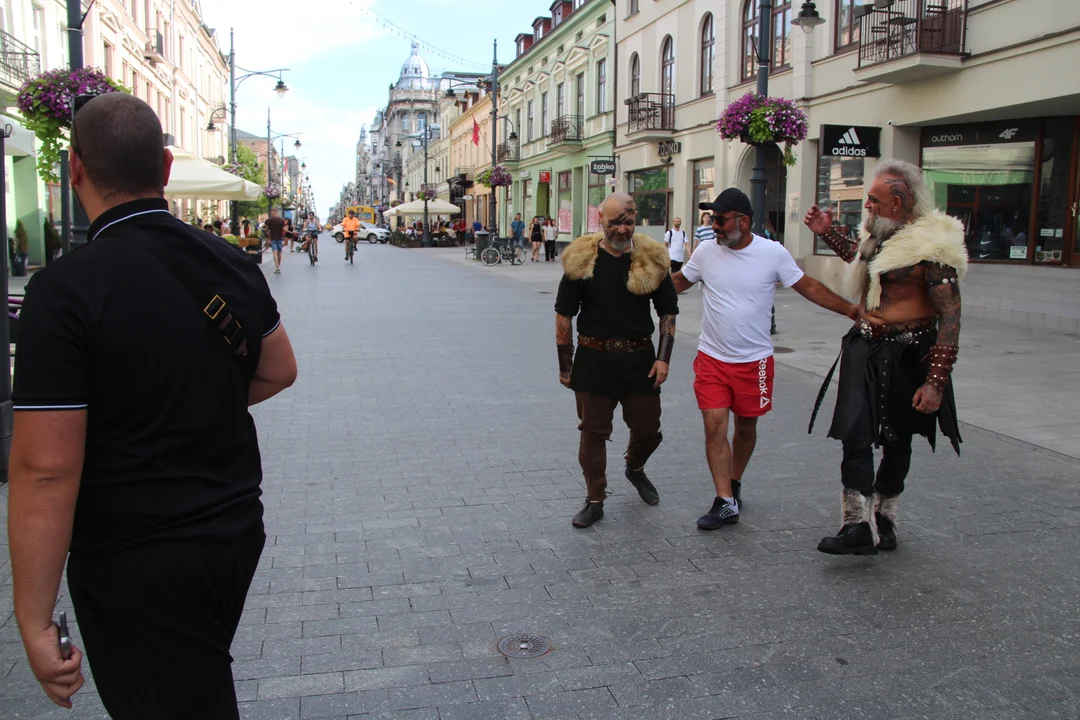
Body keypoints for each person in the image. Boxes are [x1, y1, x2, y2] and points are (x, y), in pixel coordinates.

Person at [8, 92, 297, 718]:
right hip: (232, 529)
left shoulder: (61, 292)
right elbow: (280, 369)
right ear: (165, 169)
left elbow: (45, 468)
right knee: (189, 681)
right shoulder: (228, 261)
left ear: (75, 169)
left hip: (134, 553)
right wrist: (199, 400)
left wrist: (31, 618)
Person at [672, 188, 861, 530]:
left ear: (743, 222)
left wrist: (851, 310)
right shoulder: (705, 252)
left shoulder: (772, 253)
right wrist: (636, 283)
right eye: (712, 219)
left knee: (746, 427)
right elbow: (679, 283)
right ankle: (724, 500)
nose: (713, 226)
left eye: (720, 219)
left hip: (755, 361)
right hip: (712, 357)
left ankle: (735, 481)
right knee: (715, 425)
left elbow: (809, 287)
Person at [805, 159, 965, 555]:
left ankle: (885, 517)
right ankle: (856, 524)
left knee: (898, 437)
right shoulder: (882, 236)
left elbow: (950, 317)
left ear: (898, 201)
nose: (868, 207)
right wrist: (828, 234)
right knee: (855, 433)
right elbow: (864, 260)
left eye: (874, 200)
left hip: (910, 353)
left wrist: (935, 383)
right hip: (865, 349)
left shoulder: (934, 246)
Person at [555, 192, 679, 529]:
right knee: (592, 433)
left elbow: (668, 310)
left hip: (640, 359)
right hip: (593, 359)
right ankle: (595, 500)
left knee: (648, 430)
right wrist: (565, 364)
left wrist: (664, 358)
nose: (623, 229)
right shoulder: (582, 260)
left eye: (628, 221)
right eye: (615, 223)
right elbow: (564, 315)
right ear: (601, 220)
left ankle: (635, 468)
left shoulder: (651, 259)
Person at [263, 208, 286, 274]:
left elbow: (266, 229)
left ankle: (277, 267)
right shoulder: (282, 220)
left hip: (273, 239)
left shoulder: (270, 220)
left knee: (275, 253)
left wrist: (267, 236)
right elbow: (284, 229)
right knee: (279, 253)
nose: (271, 213)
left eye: (271, 212)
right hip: (279, 239)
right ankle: (278, 267)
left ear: (274, 212)